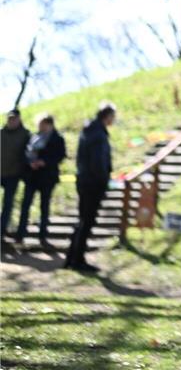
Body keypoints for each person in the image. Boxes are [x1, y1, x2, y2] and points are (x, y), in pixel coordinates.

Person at [64, 102, 116, 273]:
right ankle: (78, 259)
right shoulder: (98, 134)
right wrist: (103, 180)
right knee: (87, 221)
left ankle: (71, 257)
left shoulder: (90, 131)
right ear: (107, 116)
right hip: (93, 183)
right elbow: (98, 162)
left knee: (82, 220)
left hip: (84, 180)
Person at [14, 114, 66, 247]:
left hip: (47, 178)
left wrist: (44, 162)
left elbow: (60, 155)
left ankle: (43, 236)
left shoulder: (58, 139)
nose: (41, 127)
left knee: (44, 206)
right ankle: (20, 235)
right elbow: (25, 153)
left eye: (43, 124)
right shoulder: (33, 137)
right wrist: (30, 163)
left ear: (49, 124)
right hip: (31, 177)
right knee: (25, 205)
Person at [1, 109, 29, 240]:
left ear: (19, 119)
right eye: (10, 118)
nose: (11, 121)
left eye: (14, 119)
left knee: (8, 203)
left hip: (13, 174)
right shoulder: (1, 133)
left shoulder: (26, 134)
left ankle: (2, 230)